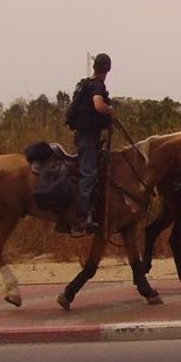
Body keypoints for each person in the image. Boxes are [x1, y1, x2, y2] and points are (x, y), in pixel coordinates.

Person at [71, 53, 115, 234]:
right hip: (87, 138)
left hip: (88, 136)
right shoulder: (96, 85)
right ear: (107, 69)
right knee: (89, 173)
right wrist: (110, 110)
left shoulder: (86, 85)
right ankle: (83, 217)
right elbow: (98, 105)